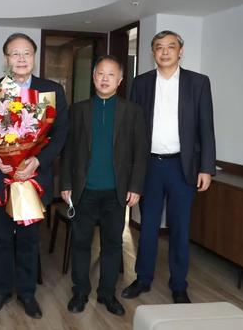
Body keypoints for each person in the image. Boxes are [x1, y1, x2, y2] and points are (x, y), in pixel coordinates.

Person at [121, 30, 216, 304]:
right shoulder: (141, 83)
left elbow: (206, 128)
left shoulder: (198, 83)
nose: (164, 52)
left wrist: (206, 168)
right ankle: (143, 278)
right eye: (159, 47)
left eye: (170, 47)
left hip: (182, 167)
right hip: (150, 166)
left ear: (180, 51)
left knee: (180, 228)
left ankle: (178, 284)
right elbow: (132, 129)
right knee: (148, 226)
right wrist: (130, 169)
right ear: (153, 52)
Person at [0, 33, 68, 319]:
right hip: (2, 177)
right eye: (15, 53)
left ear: (34, 57)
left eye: (26, 53)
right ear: (6, 58)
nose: (21, 58)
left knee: (29, 240)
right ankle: (1, 290)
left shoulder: (51, 91)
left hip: (34, 178)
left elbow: (60, 134)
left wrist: (37, 160)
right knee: (1, 238)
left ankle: (27, 294)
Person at [61, 55, 148, 316]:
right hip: (83, 190)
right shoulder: (78, 110)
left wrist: (136, 186)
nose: (105, 79)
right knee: (81, 243)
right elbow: (68, 150)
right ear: (93, 77)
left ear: (120, 80)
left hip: (116, 192)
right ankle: (80, 292)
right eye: (100, 73)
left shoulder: (132, 111)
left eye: (111, 75)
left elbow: (140, 153)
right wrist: (66, 183)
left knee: (112, 244)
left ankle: (107, 294)